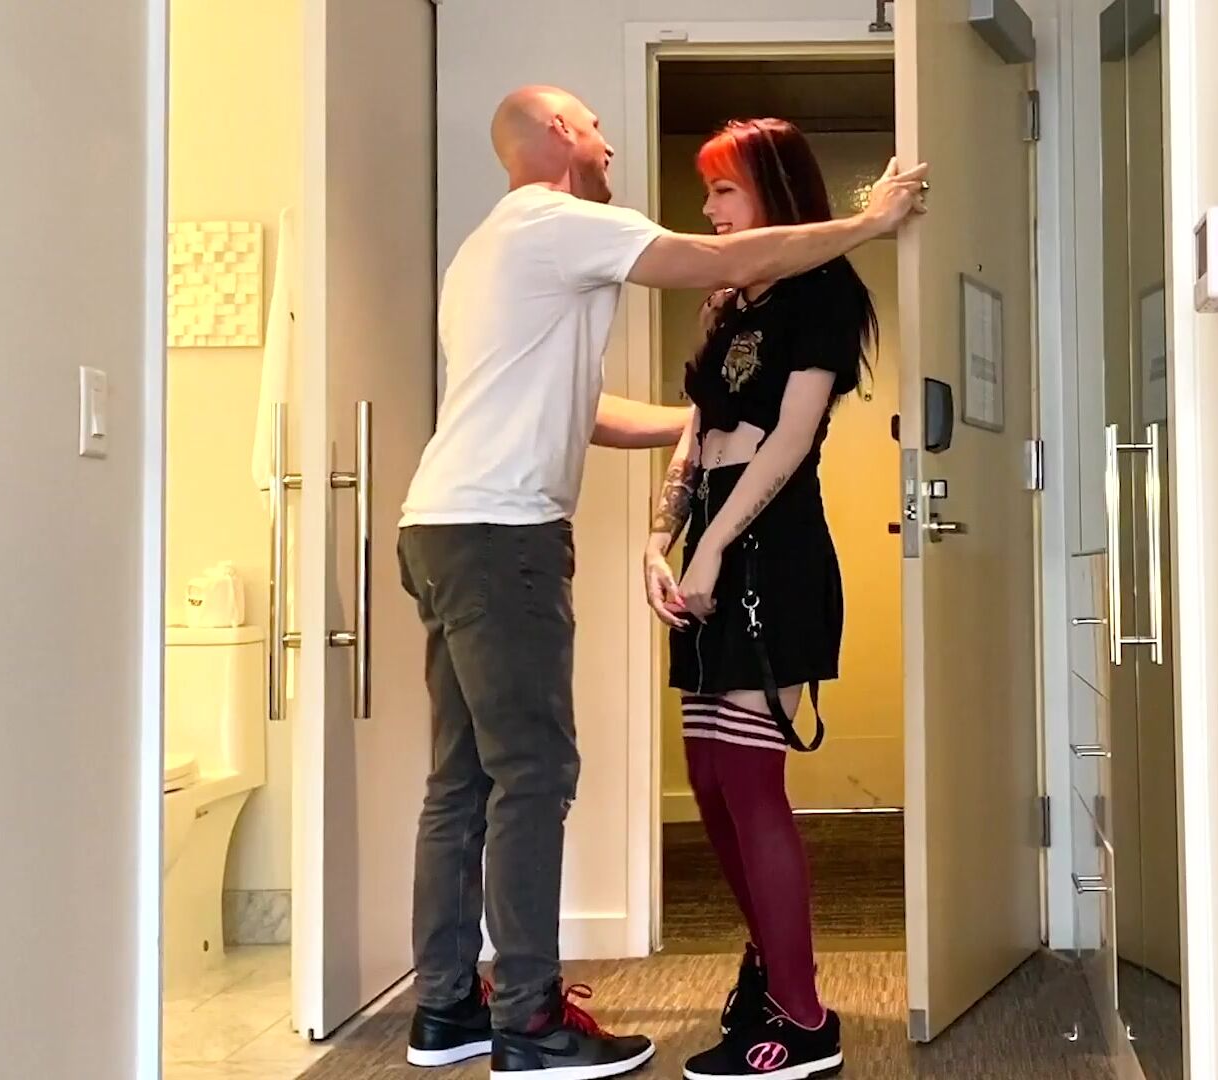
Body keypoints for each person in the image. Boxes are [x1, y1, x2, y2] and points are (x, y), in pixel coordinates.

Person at [397, 86, 927, 1080]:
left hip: (445, 525)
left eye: (724, 190)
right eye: (594, 126)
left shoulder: (488, 249)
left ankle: (451, 1005)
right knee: (540, 776)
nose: (608, 144)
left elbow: (614, 412)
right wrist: (873, 219)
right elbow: (715, 271)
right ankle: (527, 1020)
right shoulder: (563, 223)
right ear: (559, 134)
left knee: (470, 780)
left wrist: (683, 528)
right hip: (501, 536)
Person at [641, 117, 880, 1080]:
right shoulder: (731, 299)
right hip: (711, 533)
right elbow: (697, 428)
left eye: (723, 190)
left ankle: (802, 1016)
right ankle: (770, 968)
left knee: (749, 780)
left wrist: (713, 547)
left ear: (775, 193)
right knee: (708, 779)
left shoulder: (825, 291)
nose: (708, 210)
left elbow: (789, 437)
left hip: (771, 547)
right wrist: (660, 537)